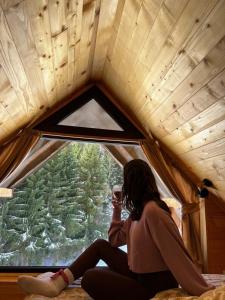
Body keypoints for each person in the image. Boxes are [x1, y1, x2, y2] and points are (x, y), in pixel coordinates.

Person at [17, 159, 214, 300]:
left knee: (92, 277)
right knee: (100, 246)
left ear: (133, 183)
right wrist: (117, 210)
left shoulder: (153, 211)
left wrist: (201, 289)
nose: (124, 186)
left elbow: (176, 253)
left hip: (154, 284)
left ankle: (59, 283)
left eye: (126, 181)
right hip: (138, 274)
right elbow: (113, 241)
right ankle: (57, 284)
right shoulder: (139, 212)